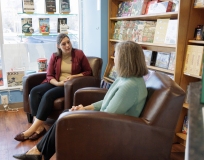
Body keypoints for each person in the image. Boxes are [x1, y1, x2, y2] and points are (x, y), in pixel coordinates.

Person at [13, 41, 148, 160]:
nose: (114, 59)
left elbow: (108, 116)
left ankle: (37, 152)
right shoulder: (124, 79)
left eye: (116, 55)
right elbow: (107, 101)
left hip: (113, 129)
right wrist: (84, 108)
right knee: (66, 114)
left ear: (126, 59)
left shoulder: (131, 86)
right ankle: (38, 152)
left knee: (66, 118)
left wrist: (82, 115)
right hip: (108, 121)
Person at [14, 33, 92, 142]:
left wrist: (74, 76)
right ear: (58, 46)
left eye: (68, 42)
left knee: (48, 95)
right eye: (63, 44)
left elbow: (88, 72)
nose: (67, 46)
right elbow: (49, 75)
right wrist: (57, 83)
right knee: (35, 91)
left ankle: (31, 129)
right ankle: (40, 128)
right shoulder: (55, 56)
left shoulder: (78, 54)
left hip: (69, 85)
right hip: (56, 82)